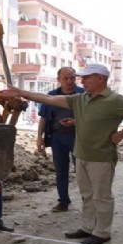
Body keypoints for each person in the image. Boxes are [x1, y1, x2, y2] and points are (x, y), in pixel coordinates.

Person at [0, 64, 123, 244]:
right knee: (87, 194)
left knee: (101, 196)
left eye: (87, 77)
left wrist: (122, 134)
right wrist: (22, 93)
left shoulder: (115, 100)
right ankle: (88, 227)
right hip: (82, 155)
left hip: (101, 157)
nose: (82, 81)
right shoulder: (81, 98)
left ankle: (102, 232)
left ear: (100, 79)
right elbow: (48, 99)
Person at [37, 67, 84, 212]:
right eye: (66, 78)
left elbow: (91, 117)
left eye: (72, 78)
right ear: (59, 79)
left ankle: (87, 201)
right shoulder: (51, 96)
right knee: (61, 171)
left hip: (79, 137)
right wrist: (39, 137)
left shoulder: (83, 94)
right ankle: (63, 201)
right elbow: (43, 118)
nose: (69, 81)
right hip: (57, 137)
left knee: (82, 170)